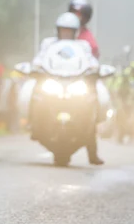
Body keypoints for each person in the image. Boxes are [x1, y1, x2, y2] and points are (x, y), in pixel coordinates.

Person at [31, 12, 104, 165]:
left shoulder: (83, 46)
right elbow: (39, 58)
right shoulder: (48, 43)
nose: (65, 33)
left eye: (69, 31)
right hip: (54, 82)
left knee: (91, 105)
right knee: (36, 95)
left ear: (75, 32)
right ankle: (34, 125)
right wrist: (35, 67)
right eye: (63, 30)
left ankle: (92, 152)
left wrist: (95, 69)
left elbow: (91, 61)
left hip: (75, 84)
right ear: (58, 30)